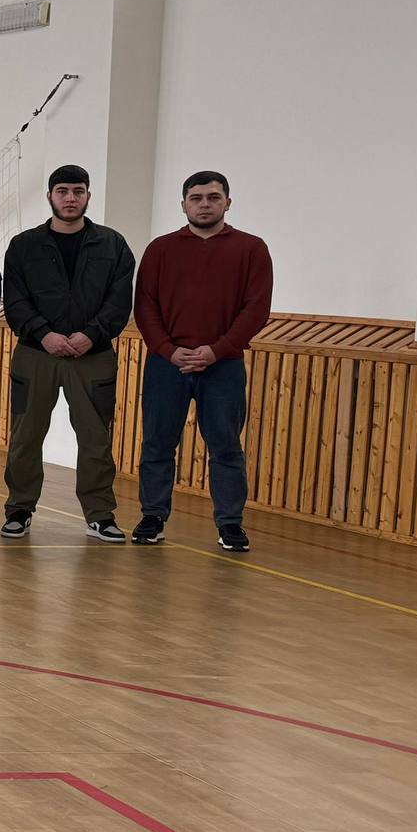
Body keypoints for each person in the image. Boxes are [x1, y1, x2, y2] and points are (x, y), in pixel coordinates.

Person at [133, 171, 271, 553]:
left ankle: (230, 523)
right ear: (183, 205)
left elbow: (256, 309)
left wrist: (217, 350)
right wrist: (167, 349)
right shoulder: (160, 249)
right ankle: (152, 516)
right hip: (167, 364)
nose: (205, 204)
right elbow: (145, 306)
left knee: (226, 447)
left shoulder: (251, 249)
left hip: (222, 366)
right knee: (158, 444)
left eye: (213, 197)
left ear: (228, 202)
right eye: (196, 198)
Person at [1, 164, 136, 542]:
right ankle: (19, 509)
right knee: (26, 436)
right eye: (63, 191)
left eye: (78, 191)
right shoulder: (24, 245)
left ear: (88, 196)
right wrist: (44, 334)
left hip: (92, 356)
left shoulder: (113, 244)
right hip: (36, 354)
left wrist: (91, 335)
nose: (70, 198)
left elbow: (119, 301)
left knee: (96, 439)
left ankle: (100, 515)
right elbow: (15, 300)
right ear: (50, 196)